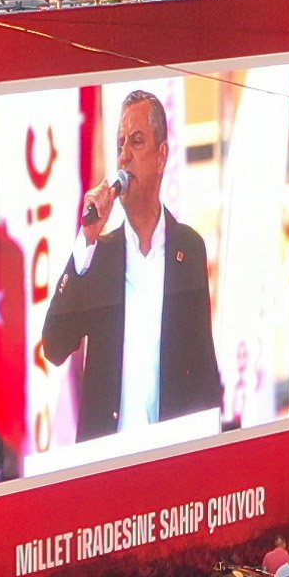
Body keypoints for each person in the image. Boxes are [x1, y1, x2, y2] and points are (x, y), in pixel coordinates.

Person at [39, 90, 220, 445]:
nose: (125, 155)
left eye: (137, 142)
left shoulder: (188, 249)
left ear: (162, 155)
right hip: (107, 457)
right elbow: (55, 346)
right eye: (121, 143)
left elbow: (203, 367)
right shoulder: (99, 256)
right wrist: (86, 240)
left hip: (168, 456)